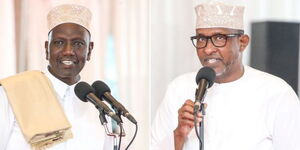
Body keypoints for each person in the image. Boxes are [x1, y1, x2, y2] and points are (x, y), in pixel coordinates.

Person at [151, 1, 300, 150]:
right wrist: (179, 134)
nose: (208, 49)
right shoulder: (178, 88)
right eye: (202, 39)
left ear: (242, 42)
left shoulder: (276, 93)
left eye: (219, 38)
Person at [0, 4, 113, 150]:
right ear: (47, 49)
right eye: (59, 43)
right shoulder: (13, 94)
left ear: (89, 50)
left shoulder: (99, 107)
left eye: (78, 44)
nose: (68, 51)